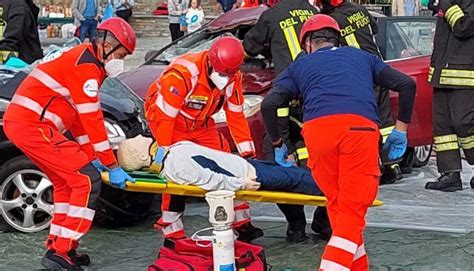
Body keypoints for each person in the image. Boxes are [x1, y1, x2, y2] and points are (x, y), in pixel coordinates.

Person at [261, 14, 416, 270]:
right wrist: (400, 129)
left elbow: (269, 104)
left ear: (308, 44)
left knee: (340, 208)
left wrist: (278, 144)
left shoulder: (300, 66)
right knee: (353, 210)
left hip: (318, 135)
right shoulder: (363, 57)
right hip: (358, 131)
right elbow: (407, 84)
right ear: (338, 38)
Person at [2, 17, 136, 270]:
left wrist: (91, 155)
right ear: (108, 44)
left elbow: (76, 119)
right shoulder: (86, 66)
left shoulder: (82, 59)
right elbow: (92, 118)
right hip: (33, 126)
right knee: (87, 181)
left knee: (68, 183)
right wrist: (110, 163)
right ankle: (60, 251)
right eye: (122, 54)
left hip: (28, 125)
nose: (121, 61)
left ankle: (60, 247)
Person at [144, 36, 261, 243]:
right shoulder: (182, 75)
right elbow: (165, 117)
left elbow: (236, 114)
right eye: (222, 73)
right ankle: (172, 230)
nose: (225, 77)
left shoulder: (233, 76)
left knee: (226, 163)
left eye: (229, 74)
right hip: (171, 121)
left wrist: (247, 154)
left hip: (201, 123)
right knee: (175, 171)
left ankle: (242, 223)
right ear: (210, 63)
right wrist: (163, 151)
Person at [243, 0, 323, 243]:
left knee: (275, 163)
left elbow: (248, 47)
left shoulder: (271, 15)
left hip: (283, 98)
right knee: (321, 160)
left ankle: (295, 223)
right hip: (312, 98)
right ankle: (325, 219)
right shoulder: (313, 12)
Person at [316, 0, 404, 185]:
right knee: (385, 120)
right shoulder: (361, 10)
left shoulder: (332, 22)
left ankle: (372, 167)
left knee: (365, 123)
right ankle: (393, 166)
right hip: (378, 69)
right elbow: (374, 30)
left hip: (360, 75)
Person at [117, 135, 324, 196]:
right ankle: (345, 191)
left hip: (246, 165)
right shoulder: (177, 166)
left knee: (297, 175)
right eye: (136, 141)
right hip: (249, 175)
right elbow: (213, 181)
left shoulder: (172, 153)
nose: (140, 136)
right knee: (302, 180)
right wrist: (241, 184)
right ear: (144, 157)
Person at [425, 0, 474, 192]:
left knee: (464, 123)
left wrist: (445, 4)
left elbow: (464, 26)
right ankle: (450, 173)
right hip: (441, 72)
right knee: (443, 127)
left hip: (465, 74)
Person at [0, 0, 43, 64]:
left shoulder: (18, 8)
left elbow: (10, 43)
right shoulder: (18, 7)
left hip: (19, 66)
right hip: (18, 67)